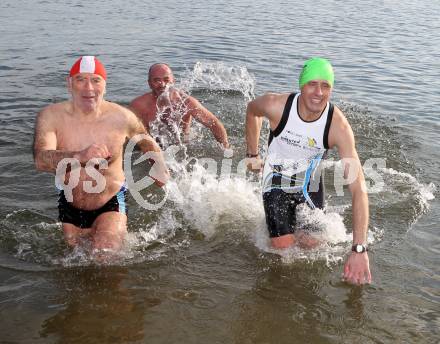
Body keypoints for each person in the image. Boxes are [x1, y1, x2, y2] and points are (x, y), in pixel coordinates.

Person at [245, 57, 371, 285]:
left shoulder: (337, 126)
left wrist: (359, 249)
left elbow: (359, 189)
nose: (318, 92)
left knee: (314, 248)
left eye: (325, 86)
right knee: (283, 254)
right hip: (276, 180)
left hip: (309, 183)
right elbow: (252, 111)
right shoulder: (276, 106)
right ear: (301, 85)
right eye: (312, 84)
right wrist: (253, 155)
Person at [33, 56, 169, 252]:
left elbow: (147, 142)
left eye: (95, 80)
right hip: (69, 202)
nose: (89, 88)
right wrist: (80, 156)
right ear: (69, 84)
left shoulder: (123, 117)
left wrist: (159, 167)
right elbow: (41, 160)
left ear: (105, 85)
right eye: (81, 79)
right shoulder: (50, 116)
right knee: (74, 259)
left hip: (110, 201)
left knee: (105, 254)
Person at [129, 63, 230, 149]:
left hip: (182, 145)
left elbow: (214, 123)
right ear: (149, 84)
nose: (162, 84)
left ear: (173, 81)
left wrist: (226, 148)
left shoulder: (186, 102)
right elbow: (126, 131)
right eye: (156, 80)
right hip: (152, 147)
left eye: (166, 79)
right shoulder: (138, 105)